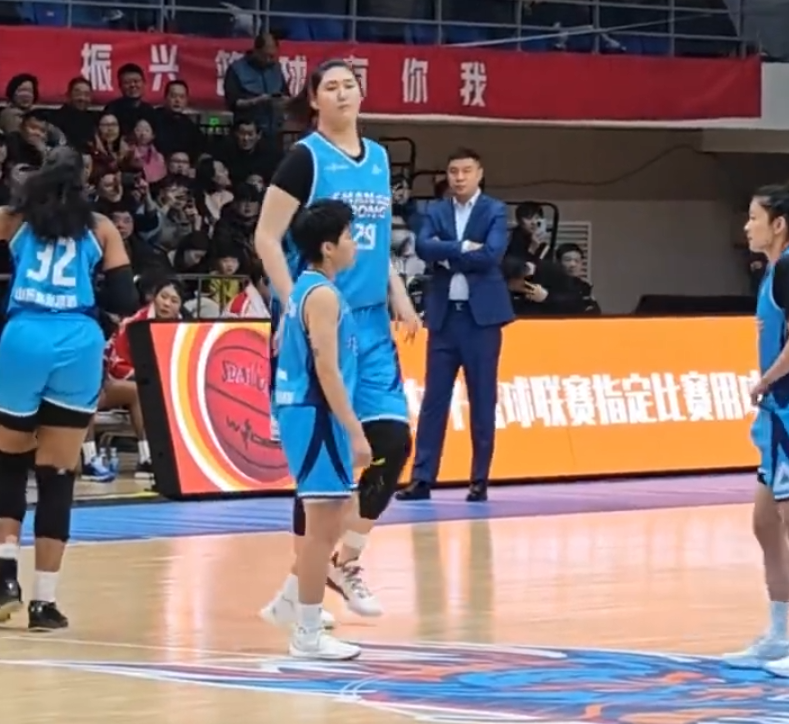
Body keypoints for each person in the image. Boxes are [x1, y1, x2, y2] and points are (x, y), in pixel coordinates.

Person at [255, 59, 420, 628]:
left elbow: (373, 241)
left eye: (350, 84)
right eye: (331, 86)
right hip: (325, 317)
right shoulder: (305, 158)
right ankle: (302, 595)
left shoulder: (378, 157)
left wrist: (398, 291)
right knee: (323, 468)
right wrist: (292, 304)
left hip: (372, 323)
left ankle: (339, 564)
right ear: (314, 100)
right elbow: (266, 237)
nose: (343, 93)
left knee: (392, 442)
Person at [0, 147, 138, 629]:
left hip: (23, 336)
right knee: (58, 474)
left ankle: (5, 577)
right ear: (85, 180)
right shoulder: (100, 227)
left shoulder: (15, 219)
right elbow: (126, 298)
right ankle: (45, 603)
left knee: (9, 465)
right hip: (77, 340)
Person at [275, 199, 368, 659]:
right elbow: (326, 370)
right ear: (328, 247)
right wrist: (355, 430)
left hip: (306, 413)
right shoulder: (323, 296)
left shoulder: (307, 288)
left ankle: (289, 604)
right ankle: (307, 633)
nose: (355, 243)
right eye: (348, 236)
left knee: (329, 524)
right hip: (316, 414)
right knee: (320, 532)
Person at [397, 148, 513, 503]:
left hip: (482, 320)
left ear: (479, 174)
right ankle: (422, 478)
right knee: (434, 400)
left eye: (466, 171)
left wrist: (447, 254)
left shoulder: (494, 210)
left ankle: (479, 479)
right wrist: (463, 247)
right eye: (453, 171)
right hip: (445, 317)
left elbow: (491, 254)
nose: (459, 178)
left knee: (482, 399)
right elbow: (424, 247)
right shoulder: (436, 210)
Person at [723, 184, 789, 673]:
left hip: (787, 408)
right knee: (765, 524)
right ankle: (780, 633)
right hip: (775, 415)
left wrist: (765, 380)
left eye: (754, 217)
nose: (747, 226)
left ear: (779, 224)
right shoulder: (770, 270)